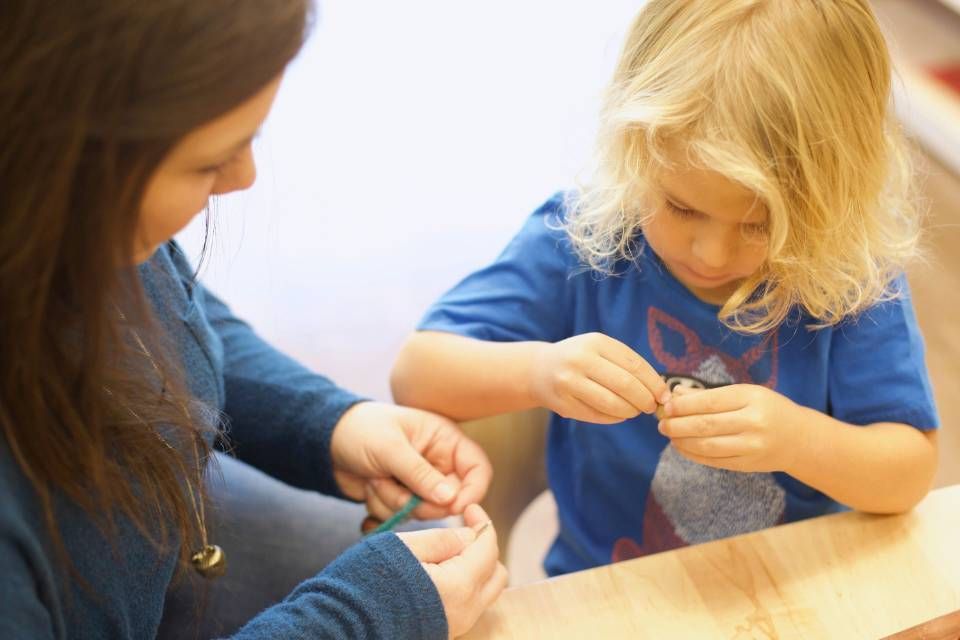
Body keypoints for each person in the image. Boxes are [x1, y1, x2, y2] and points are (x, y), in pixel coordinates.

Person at [0, 2, 506, 638]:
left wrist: (327, 422)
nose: (244, 178)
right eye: (210, 162)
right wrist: (360, 619)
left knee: (431, 554)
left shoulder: (84, 230)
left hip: (150, 543)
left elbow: (171, 319)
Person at [391, 0, 940, 578]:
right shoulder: (590, 238)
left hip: (790, 589)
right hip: (605, 587)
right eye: (680, 207)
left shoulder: (849, 279)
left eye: (759, 225)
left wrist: (797, 440)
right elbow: (417, 371)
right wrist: (539, 373)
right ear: (634, 149)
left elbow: (908, 473)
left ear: (833, 195)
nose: (711, 253)